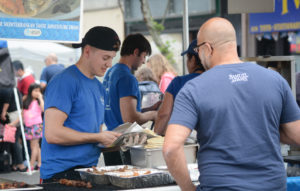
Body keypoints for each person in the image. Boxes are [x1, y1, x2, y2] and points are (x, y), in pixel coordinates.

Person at [163, 17, 300, 191]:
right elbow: (296, 135)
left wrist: (188, 188)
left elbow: (171, 148)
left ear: (207, 48)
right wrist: (262, 127)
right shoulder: (275, 80)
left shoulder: (193, 89)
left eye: (198, 49)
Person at [40, 26, 121, 182]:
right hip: (61, 175)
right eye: (105, 58)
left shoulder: (99, 87)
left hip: (88, 172)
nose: (110, 64)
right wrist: (97, 136)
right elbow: (52, 133)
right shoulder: (64, 81)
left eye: (112, 58)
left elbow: (95, 136)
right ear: (87, 51)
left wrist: (117, 140)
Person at [103, 33, 156, 131]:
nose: (144, 61)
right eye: (144, 56)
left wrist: (148, 108)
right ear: (136, 52)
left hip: (110, 133)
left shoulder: (110, 72)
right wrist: (152, 114)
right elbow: (130, 119)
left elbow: (117, 107)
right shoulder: (127, 78)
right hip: (123, 139)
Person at [154, 39, 205, 135]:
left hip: (185, 139)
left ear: (193, 60)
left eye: (187, 58)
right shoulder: (216, 80)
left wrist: (154, 139)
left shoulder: (178, 82)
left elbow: (164, 114)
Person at [0, 87, 27, 172]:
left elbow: (7, 101)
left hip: (13, 116)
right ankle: (16, 164)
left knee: (13, 141)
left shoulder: (8, 87)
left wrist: (3, 112)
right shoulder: (13, 88)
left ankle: (20, 164)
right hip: (16, 115)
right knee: (14, 141)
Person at [23, 83, 44, 171]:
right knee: (35, 146)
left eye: (39, 91)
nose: (37, 93)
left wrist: (40, 98)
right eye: (35, 91)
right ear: (30, 91)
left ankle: (31, 165)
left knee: (34, 145)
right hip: (28, 126)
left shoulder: (39, 101)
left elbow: (43, 109)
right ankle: (39, 164)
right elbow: (22, 113)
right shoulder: (26, 100)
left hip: (36, 125)